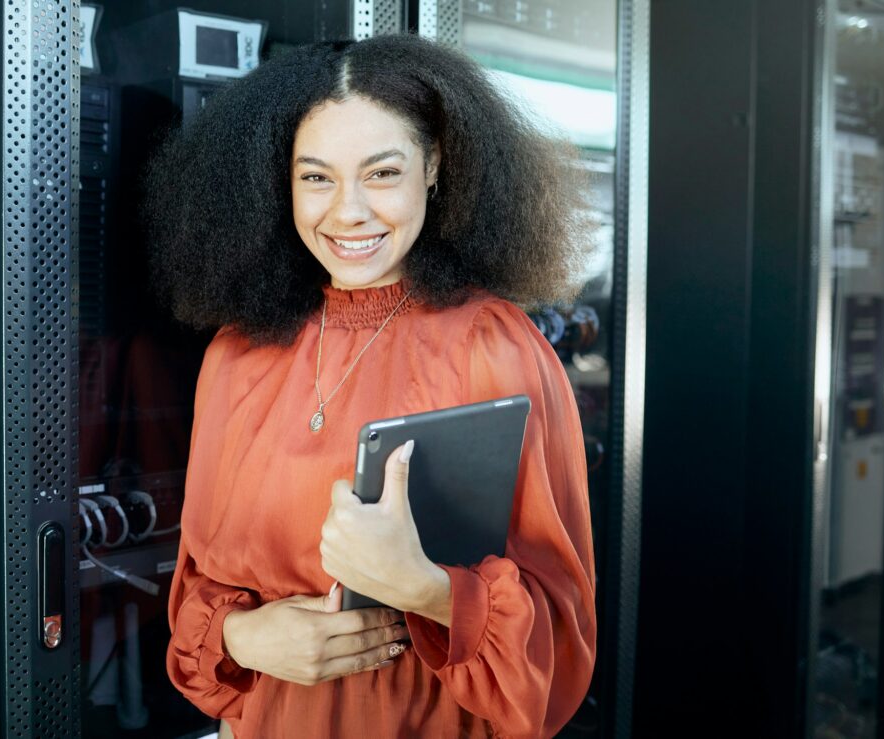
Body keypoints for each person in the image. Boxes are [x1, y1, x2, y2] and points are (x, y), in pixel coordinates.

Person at [144, 33, 596, 738]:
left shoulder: (494, 345)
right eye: (316, 177)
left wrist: (428, 589)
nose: (348, 211)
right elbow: (196, 598)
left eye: (382, 173)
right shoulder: (236, 355)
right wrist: (242, 638)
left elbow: (559, 650)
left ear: (434, 167)